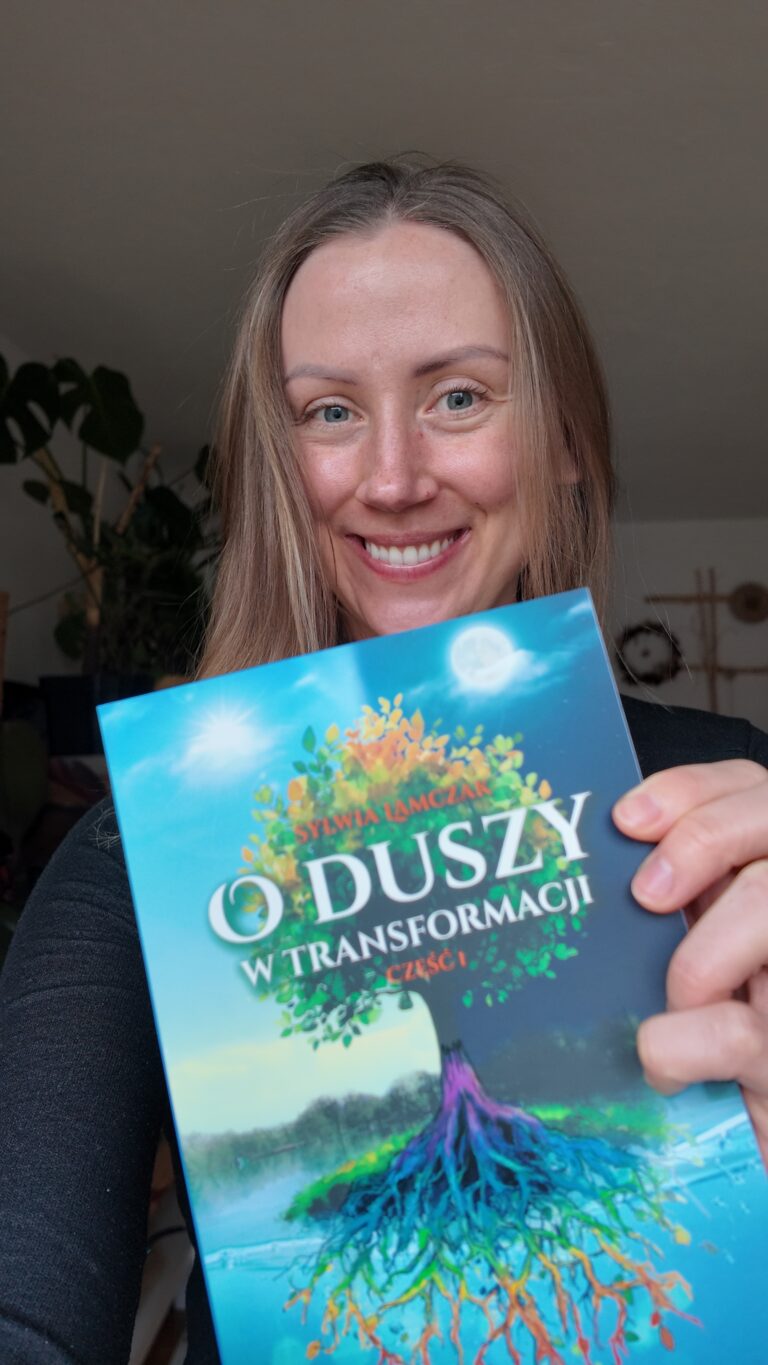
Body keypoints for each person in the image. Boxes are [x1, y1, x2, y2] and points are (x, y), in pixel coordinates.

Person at [1, 158, 766, 1364]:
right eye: (329, 412)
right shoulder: (138, 853)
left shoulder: (732, 794)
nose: (394, 479)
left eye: (460, 397)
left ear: (566, 441)